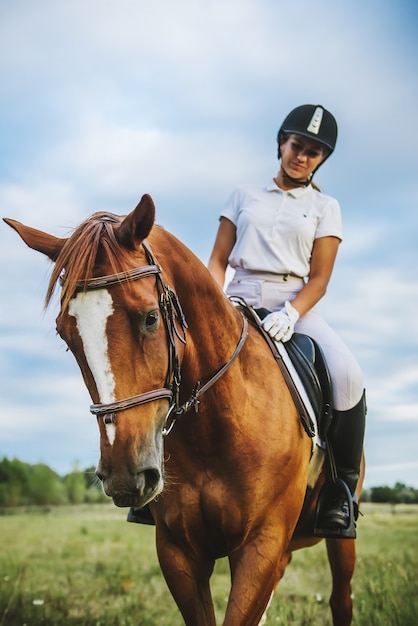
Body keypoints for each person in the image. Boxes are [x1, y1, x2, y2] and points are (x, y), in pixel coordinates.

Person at [208, 104, 366, 538]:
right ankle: (165, 483)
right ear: (282, 142)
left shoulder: (325, 206)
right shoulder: (242, 195)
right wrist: (212, 304)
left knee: (349, 375)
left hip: (295, 302)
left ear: (321, 160)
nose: (302, 156)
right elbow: (218, 260)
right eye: (297, 145)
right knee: (187, 357)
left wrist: (291, 313)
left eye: (314, 152)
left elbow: (320, 278)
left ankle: (341, 491)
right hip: (237, 296)